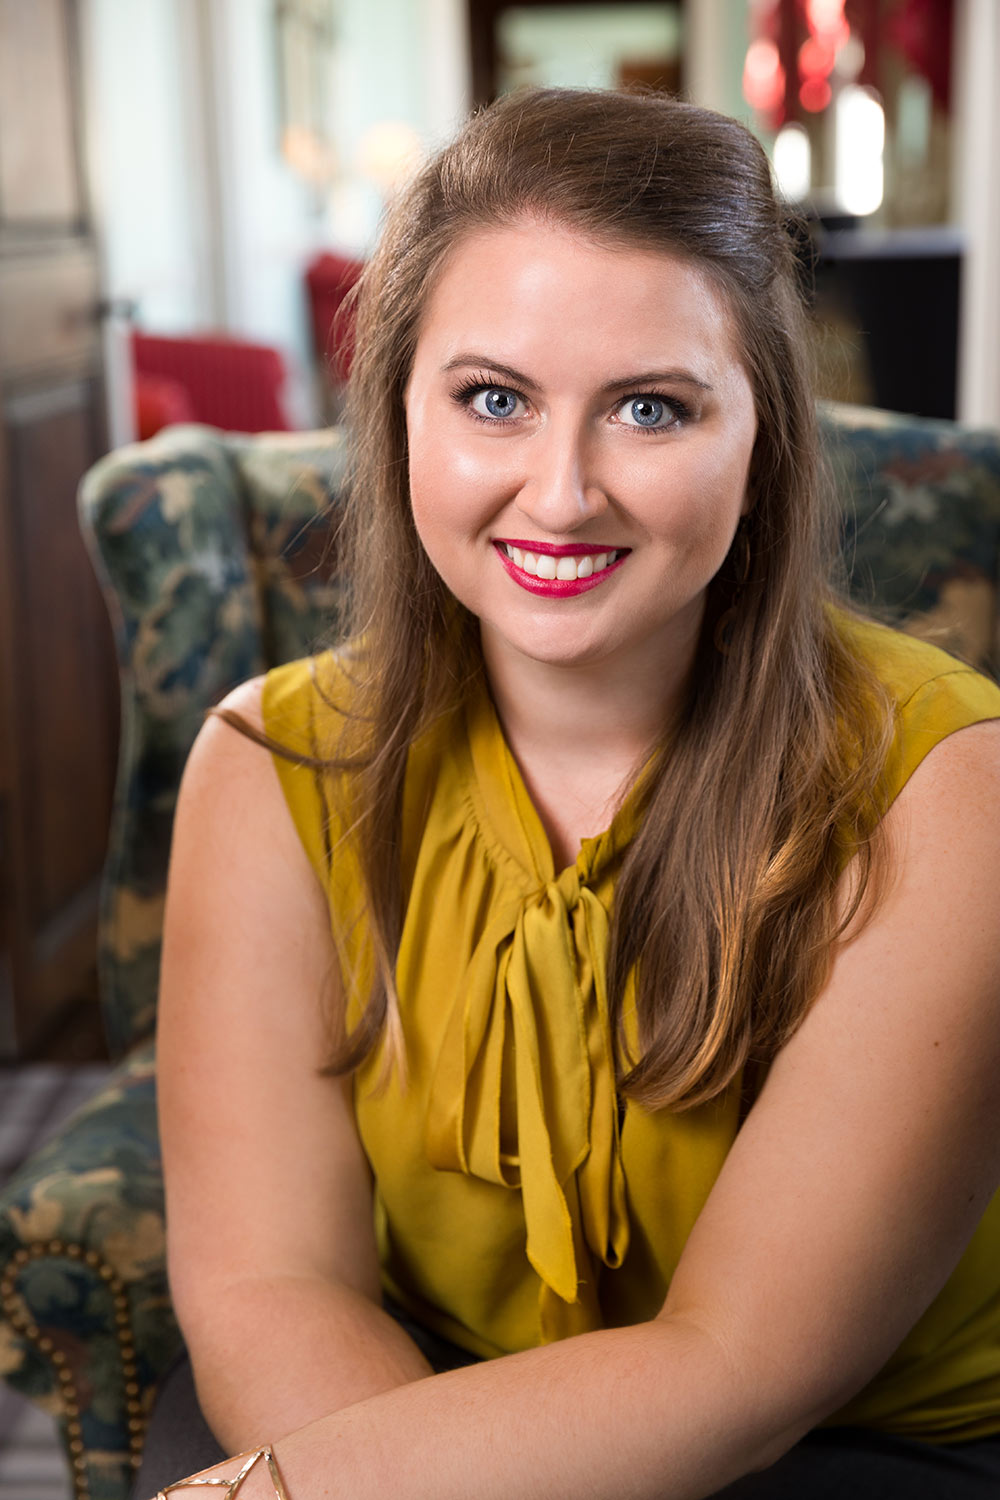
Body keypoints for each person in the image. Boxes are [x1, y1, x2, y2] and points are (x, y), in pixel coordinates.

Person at [135, 88, 1000, 1500]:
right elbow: (269, 1282)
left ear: (763, 443)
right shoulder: (269, 766)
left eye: (650, 409)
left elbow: (742, 1362)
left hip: (852, 1436)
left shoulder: (950, 794)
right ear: (398, 413)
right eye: (493, 399)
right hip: (413, 1392)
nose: (561, 491)